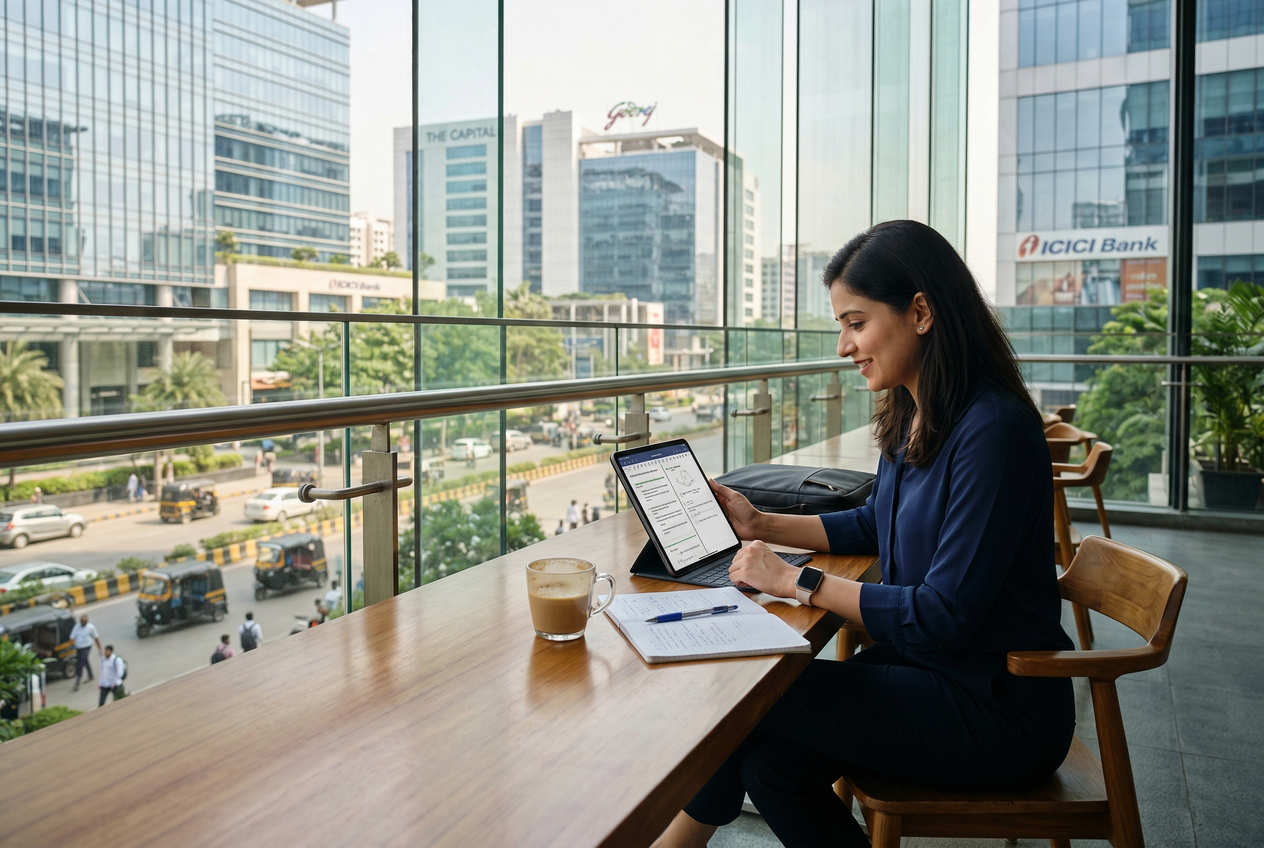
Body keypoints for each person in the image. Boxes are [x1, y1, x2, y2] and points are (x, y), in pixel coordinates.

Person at [654, 220, 1075, 848]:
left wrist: (796, 581)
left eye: (857, 322)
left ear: (922, 312)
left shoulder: (994, 430)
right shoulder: (913, 410)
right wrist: (760, 522)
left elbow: (944, 613)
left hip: (996, 706)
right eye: (841, 328)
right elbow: (872, 522)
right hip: (927, 672)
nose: (846, 346)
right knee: (773, 768)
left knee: (744, 702)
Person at [69, 613, 102, 691]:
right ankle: (90, 675)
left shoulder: (91, 627)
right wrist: (69, 647)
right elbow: (72, 637)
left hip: (87, 646)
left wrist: (100, 649)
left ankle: (77, 682)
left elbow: (96, 638)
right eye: (82, 621)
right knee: (85, 660)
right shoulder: (77, 627)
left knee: (81, 663)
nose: (83, 622)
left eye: (84, 621)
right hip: (79, 647)